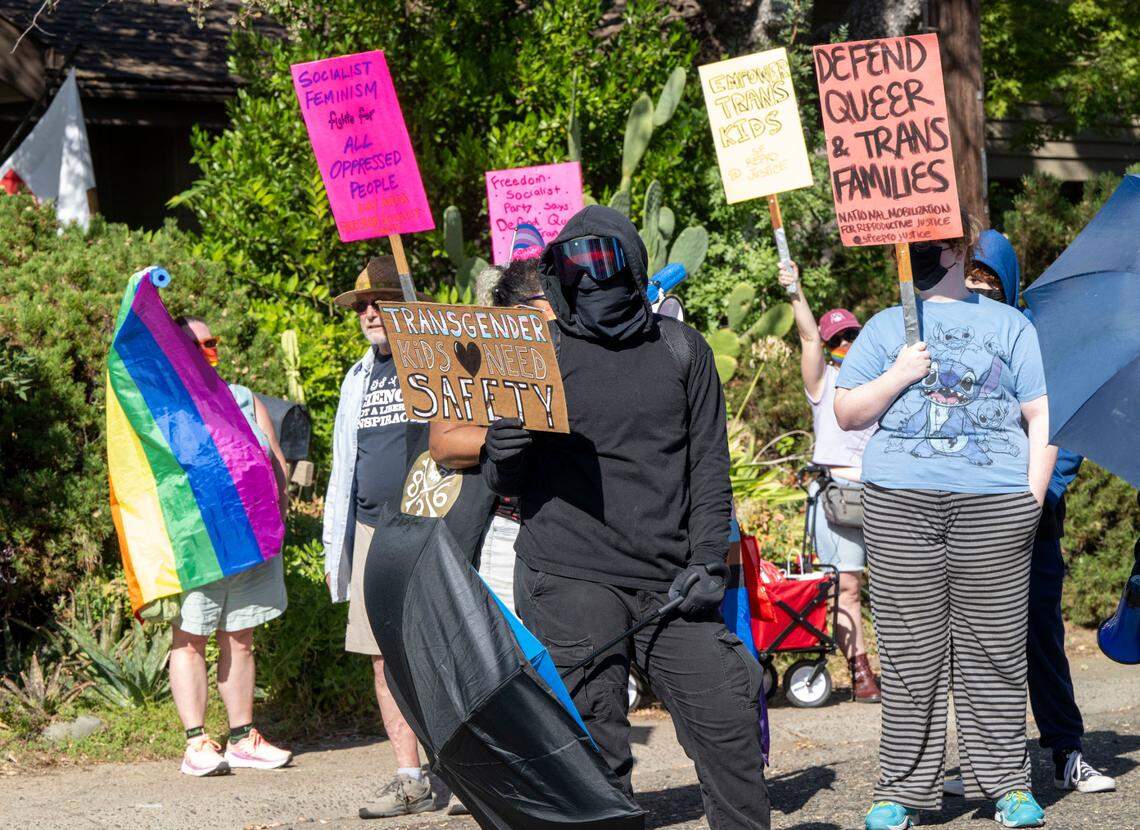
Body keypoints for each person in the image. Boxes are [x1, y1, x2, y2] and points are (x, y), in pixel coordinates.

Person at [481, 206, 770, 830]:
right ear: (557, 275)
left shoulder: (681, 349)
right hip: (568, 571)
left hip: (668, 579)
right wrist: (500, 453)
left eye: (606, 262)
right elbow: (507, 486)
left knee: (728, 717)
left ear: (634, 266)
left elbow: (708, 471)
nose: (591, 279)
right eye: (575, 266)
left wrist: (705, 565)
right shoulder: (538, 355)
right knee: (597, 747)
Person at [833, 215, 1058, 830]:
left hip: (995, 506)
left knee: (996, 650)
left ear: (959, 246)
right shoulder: (884, 327)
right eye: (909, 245)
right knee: (909, 651)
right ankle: (900, 792)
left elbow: (1043, 417)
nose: (919, 253)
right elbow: (847, 411)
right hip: (900, 505)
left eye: (930, 242)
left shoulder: (1011, 327)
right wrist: (899, 374)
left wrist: (1029, 502)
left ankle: (1007, 785)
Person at [965, 230, 1115, 794]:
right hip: (969, 519)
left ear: (1010, 285)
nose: (981, 293)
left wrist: (1042, 495)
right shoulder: (952, 341)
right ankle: (985, 768)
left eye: (990, 283)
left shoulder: (1038, 342)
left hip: (1034, 523)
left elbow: (1065, 436)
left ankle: (1066, 752)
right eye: (971, 282)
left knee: (1042, 639)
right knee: (976, 649)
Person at [322, 257, 446, 818]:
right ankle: (410, 778)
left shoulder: (432, 362)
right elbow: (343, 465)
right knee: (381, 659)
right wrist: (338, 543)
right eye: (364, 306)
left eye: (383, 303)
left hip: (428, 528)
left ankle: (466, 773)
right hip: (372, 533)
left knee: (444, 650)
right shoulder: (358, 376)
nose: (371, 313)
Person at [170, 316, 293, 777]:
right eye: (197, 343)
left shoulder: (245, 397)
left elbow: (275, 461)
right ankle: (196, 742)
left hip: (253, 540)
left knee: (241, 637)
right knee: (191, 637)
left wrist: (279, 518)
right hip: (199, 545)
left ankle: (243, 737)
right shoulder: (168, 408)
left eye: (212, 341)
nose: (208, 349)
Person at [778, 262, 881, 703]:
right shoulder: (824, 382)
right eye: (836, 339)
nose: (845, 344)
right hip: (837, 496)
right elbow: (804, 336)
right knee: (847, 586)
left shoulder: (880, 381)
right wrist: (795, 291)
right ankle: (860, 672)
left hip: (882, 495)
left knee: (904, 587)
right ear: (826, 345)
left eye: (852, 336)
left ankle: (912, 670)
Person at [428, 258, 555, 612]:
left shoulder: (583, 353)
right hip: (504, 533)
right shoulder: (471, 358)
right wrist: (496, 440)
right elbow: (441, 442)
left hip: (575, 541)